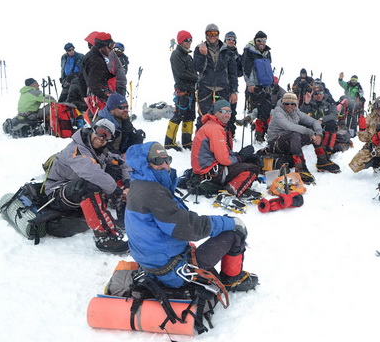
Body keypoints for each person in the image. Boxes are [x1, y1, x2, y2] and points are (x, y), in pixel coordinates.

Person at [125, 141, 258, 291]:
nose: (165, 166)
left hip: (152, 265)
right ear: (145, 164)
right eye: (157, 161)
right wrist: (229, 223)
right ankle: (233, 280)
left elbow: (173, 221)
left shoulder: (138, 185)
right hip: (172, 271)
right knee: (234, 233)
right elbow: (189, 228)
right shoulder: (154, 192)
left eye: (167, 160)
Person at [44, 118, 130, 253]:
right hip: (56, 194)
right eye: (100, 132)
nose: (101, 138)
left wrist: (127, 183)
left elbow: (122, 163)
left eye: (107, 136)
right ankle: (105, 239)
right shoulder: (75, 149)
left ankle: (124, 214)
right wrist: (117, 191)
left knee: (114, 169)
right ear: (92, 130)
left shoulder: (101, 151)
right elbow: (91, 173)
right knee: (90, 185)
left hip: (73, 192)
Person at [191, 99, 261, 198]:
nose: (227, 115)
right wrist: (239, 158)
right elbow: (224, 159)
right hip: (210, 173)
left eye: (229, 112)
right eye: (223, 111)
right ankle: (232, 189)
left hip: (205, 170)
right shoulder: (215, 129)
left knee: (246, 162)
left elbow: (221, 152)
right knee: (253, 168)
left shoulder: (211, 125)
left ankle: (236, 185)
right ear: (215, 112)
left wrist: (237, 155)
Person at [266, 92, 341, 184]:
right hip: (275, 143)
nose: (290, 106)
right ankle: (300, 167)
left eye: (292, 104)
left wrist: (318, 133)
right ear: (283, 103)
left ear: (295, 104)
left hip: (289, 140)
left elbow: (313, 121)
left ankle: (322, 160)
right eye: (287, 103)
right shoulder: (278, 112)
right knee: (297, 133)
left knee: (306, 130)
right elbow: (289, 126)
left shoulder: (296, 111)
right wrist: (310, 132)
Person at [193, 24, 238, 134]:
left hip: (223, 89)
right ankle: (201, 143)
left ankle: (222, 144)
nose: (212, 35)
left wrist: (234, 91)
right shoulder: (199, 48)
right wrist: (203, 55)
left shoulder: (227, 50)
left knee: (223, 118)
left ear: (218, 34)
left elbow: (233, 73)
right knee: (204, 118)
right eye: (209, 33)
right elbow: (198, 68)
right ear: (206, 34)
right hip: (205, 88)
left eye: (215, 33)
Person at [348, 96, 380, 174]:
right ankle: (377, 162)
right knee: (354, 165)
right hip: (374, 145)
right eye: (378, 106)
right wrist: (362, 130)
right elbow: (363, 139)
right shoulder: (370, 117)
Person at [166, 30, 198, 151]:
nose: (189, 42)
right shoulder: (176, 55)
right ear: (180, 41)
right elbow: (181, 73)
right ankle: (169, 142)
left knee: (190, 116)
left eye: (190, 40)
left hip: (190, 90)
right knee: (179, 115)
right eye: (186, 40)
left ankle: (187, 142)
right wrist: (197, 78)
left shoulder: (188, 56)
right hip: (183, 90)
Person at [242, 31, 274, 143]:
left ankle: (265, 135)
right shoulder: (249, 51)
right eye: (259, 40)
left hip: (266, 86)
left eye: (264, 40)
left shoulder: (267, 52)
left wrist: (270, 84)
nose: (261, 43)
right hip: (255, 86)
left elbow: (268, 68)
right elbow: (246, 69)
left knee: (266, 110)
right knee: (258, 110)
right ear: (255, 41)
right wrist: (250, 83)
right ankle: (258, 136)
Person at [81, 32, 116, 117]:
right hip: (98, 99)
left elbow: (81, 78)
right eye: (110, 46)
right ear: (102, 46)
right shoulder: (97, 60)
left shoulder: (88, 56)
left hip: (92, 97)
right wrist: (106, 98)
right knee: (107, 123)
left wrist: (85, 96)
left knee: (98, 123)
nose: (111, 49)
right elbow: (93, 83)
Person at [299, 84, 340, 153]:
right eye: (316, 93)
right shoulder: (310, 101)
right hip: (314, 124)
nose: (318, 95)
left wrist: (322, 119)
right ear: (313, 94)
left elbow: (334, 114)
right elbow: (301, 113)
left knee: (332, 124)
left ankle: (328, 148)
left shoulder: (329, 101)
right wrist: (306, 103)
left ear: (323, 93)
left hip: (325, 123)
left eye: (320, 93)